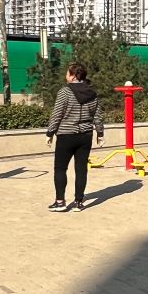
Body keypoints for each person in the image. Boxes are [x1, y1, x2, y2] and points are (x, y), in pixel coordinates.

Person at [46, 63, 105, 211]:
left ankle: (60, 202)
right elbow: (97, 115)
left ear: (73, 76)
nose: (66, 76)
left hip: (66, 135)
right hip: (85, 136)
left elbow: (57, 114)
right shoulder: (92, 93)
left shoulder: (64, 92)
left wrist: (50, 133)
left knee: (60, 168)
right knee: (81, 169)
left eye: (67, 73)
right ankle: (79, 202)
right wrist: (100, 133)